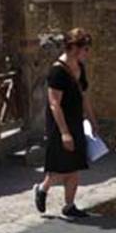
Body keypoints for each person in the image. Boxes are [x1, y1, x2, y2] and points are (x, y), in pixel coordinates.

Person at [33, 28, 98, 218]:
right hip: (59, 123)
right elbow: (54, 103)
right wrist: (64, 133)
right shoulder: (57, 71)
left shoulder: (80, 68)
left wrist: (92, 120)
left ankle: (69, 206)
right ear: (74, 48)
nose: (87, 53)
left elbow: (83, 96)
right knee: (60, 167)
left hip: (76, 120)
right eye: (85, 49)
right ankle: (42, 189)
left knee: (75, 165)